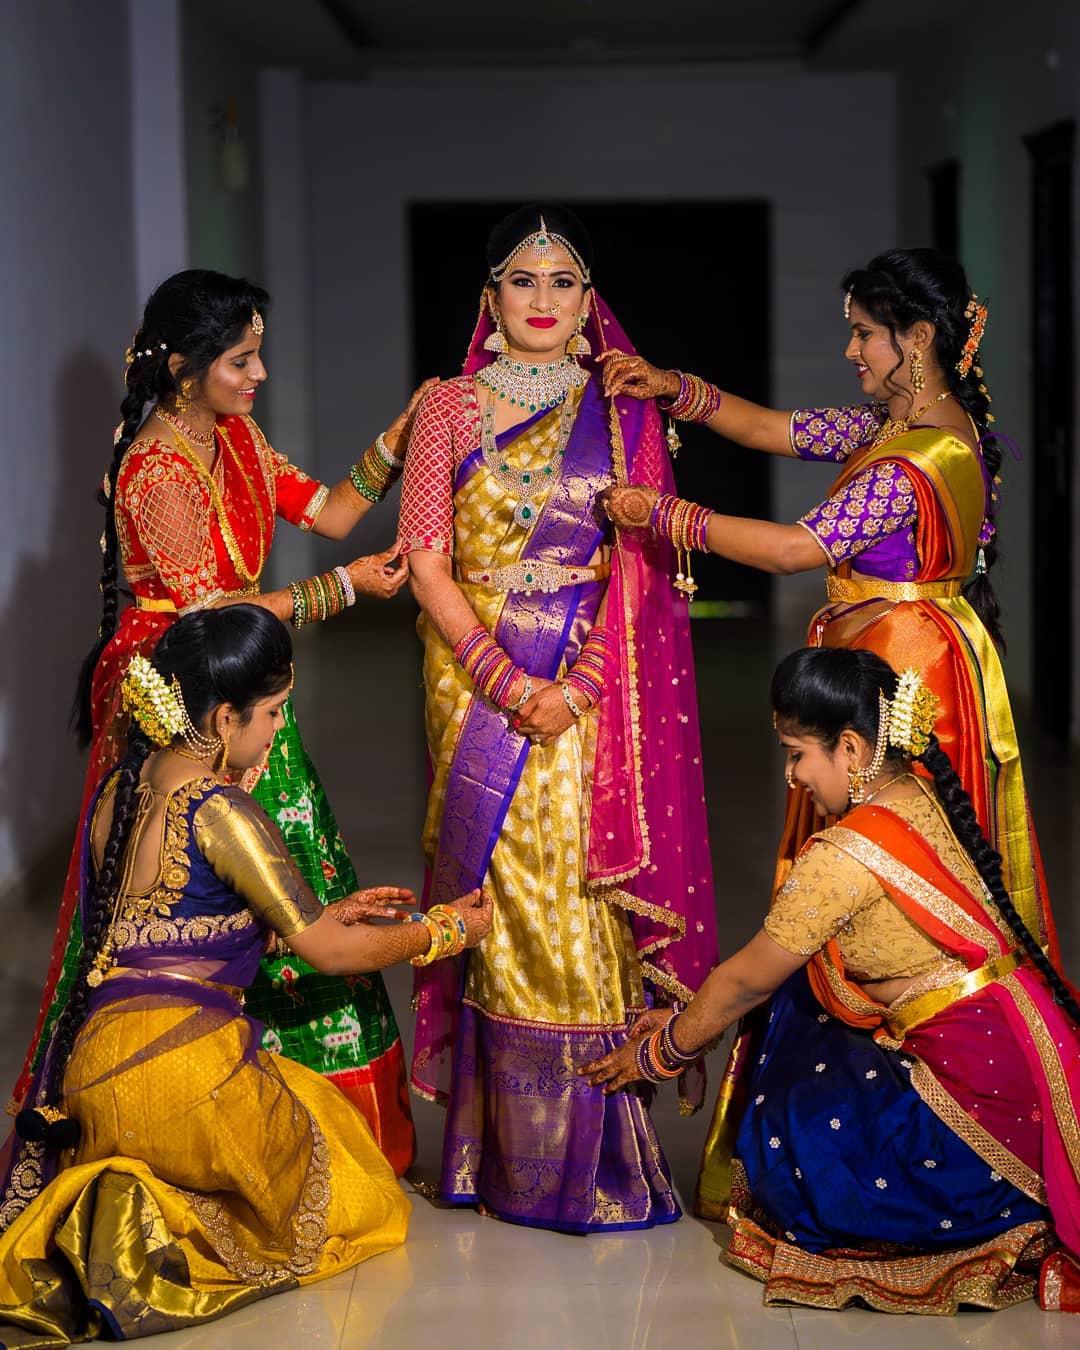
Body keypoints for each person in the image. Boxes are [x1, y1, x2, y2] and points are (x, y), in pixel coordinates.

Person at [11, 271, 433, 1176]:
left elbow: (331, 510)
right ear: (181, 366)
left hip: (238, 690)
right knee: (218, 876)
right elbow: (212, 625)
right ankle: (201, 1104)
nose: (260, 374)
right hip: (182, 702)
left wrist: (401, 438)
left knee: (289, 864)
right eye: (242, 359)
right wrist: (345, 587)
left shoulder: (233, 435)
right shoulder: (156, 467)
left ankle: (313, 1117)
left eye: (257, 353)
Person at [0, 606, 493, 1342]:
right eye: (272, 712)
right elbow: (331, 953)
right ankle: (150, 1225)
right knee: (352, 1175)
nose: (276, 730)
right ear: (224, 719)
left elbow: (163, 936)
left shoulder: (115, 793)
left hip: (96, 1079)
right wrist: (446, 928)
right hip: (182, 1078)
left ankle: (119, 1196)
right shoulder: (221, 809)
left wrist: (316, 914)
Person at [584, 647, 1080, 1315]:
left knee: (788, 1040)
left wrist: (660, 1049)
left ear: (849, 747)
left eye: (797, 754)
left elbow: (742, 984)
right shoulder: (918, 792)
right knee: (806, 987)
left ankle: (984, 1217)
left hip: (981, 1110)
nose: (792, 776)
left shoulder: (843, 856)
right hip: (1027, 1064)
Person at [398, 204, 718, 1232]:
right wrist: (501, 676)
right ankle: (498, 1159)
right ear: (489, 300)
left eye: (564, 282)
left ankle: (593, 1157)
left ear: (590, 304)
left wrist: (571, 689)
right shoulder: (445, 406)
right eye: (523, 281)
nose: (543, 301)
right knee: (498, 900)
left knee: (578, 894)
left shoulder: (621, 409)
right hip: (474, 680)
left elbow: (643, 567)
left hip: (589, 687)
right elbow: (427, 564)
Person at [600, 248, 1054, 967]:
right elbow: (769, 429)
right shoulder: (892, 428)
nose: (852, 349)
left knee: (887, 850)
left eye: (865, 332)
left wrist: (663, 516)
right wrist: (672, 387)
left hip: (904, 676)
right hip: (896, 654)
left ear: (918, 338)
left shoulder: (919, 458)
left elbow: (791, 550)